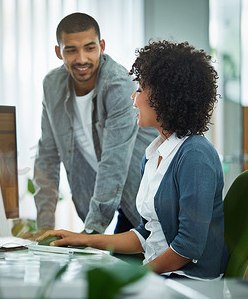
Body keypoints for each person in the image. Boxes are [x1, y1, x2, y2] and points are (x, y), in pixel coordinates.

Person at [37, 40, 230, 280]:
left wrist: (136, 276)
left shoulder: (196, 156)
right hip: (164, 277)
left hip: (190, 282)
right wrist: (84, 239)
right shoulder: (153, 155)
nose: (133, 97)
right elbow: (146, 234)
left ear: (164, 97)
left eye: (140, 89)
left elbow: (188, 248)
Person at [20, 13, 157, 239]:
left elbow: (114, 161)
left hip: (146, 202)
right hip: (117, 201)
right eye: (71, 50)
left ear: (101, 47)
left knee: (136, 270)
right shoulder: (52, 85)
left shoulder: (118, 84)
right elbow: (47, 156)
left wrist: (90, 233)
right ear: (58, 52)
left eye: (89, 48)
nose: (81, 58)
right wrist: (44, 227)